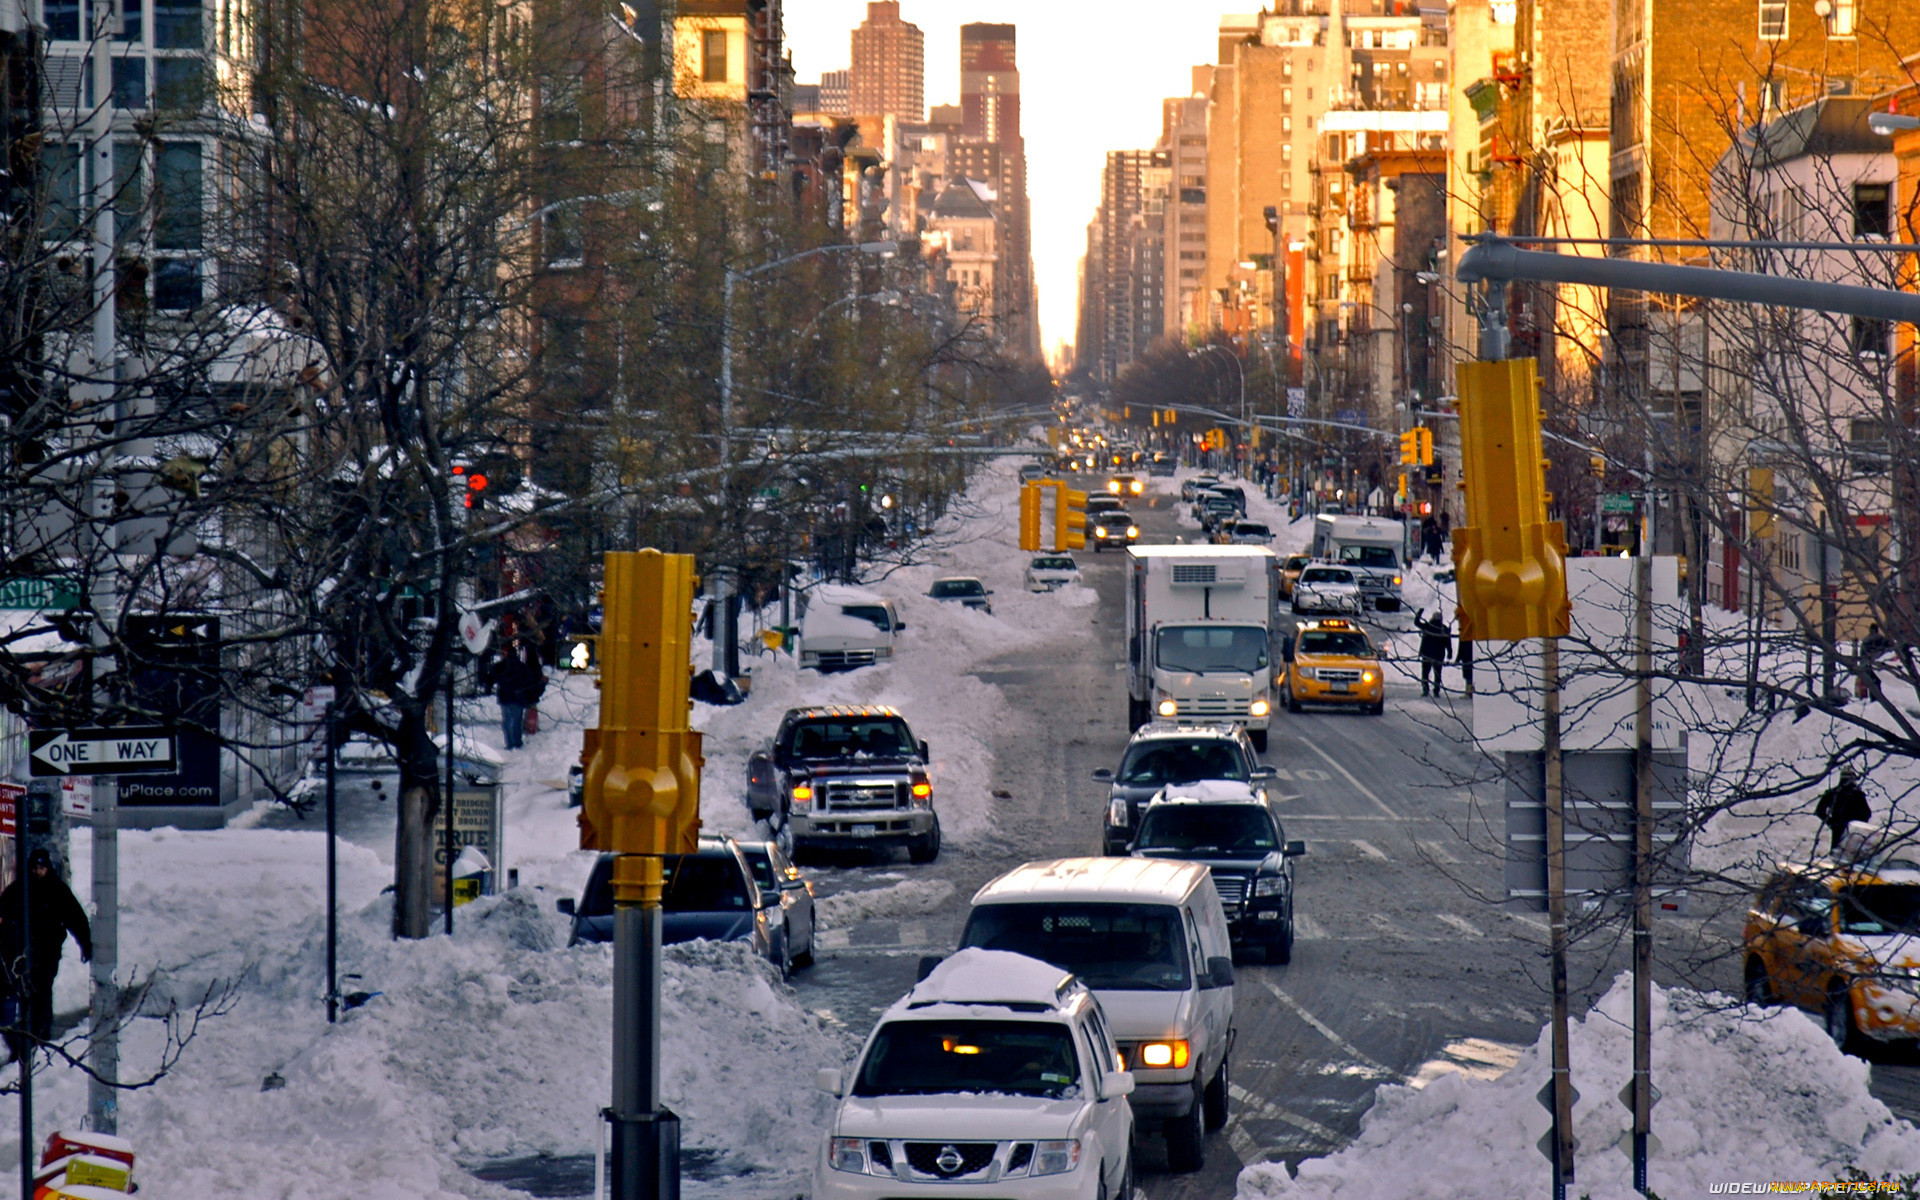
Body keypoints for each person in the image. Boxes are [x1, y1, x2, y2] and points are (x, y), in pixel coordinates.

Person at [0, 847, 93, 1062]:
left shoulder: (57, 890)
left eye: (41, 867)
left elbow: (75, 917)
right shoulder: (19, 889)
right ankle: (27, 1039)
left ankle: (41, 1035)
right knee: (25, 992)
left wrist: (85, 943)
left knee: (42, 990)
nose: (38, 872)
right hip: (22, 952)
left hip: (48, 950)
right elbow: (4, 912)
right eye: (35, 868)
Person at [496, 638, 544, 750]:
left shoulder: (501, 666)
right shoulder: (522, 667)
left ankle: (509, 743)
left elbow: (493, 676)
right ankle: (517, 742)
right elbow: (529, 681)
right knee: (516, 721)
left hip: (505, 698)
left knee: (507, 721)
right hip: (518, 698)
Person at [1814, 767, 1870, 853]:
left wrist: (1831, 822)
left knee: (1837, 856)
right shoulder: (1857, 794)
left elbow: (1819, 811)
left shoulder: (1833, 793)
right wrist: (1859, 825)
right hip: (1854, 833)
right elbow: (1867, 813)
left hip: (1838, 829)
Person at [1417, 609, 1452, 696]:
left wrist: (1419, 613)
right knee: (1438, 674)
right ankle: (1436, 691)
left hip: (1427, 654)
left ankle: (1425, 690)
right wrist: (1449, 652)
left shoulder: (1427, 626)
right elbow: (1448, 642)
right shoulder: (1443, 629)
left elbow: (1416, 622)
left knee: (1425, 672)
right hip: (1439, 655)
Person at [1856, 623, 1893, 700]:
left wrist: (1862, 665)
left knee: (1871, 681)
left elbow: (1862, 654)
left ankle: (1873, 697)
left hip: (1868, 664)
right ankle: (1878, 697)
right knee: (1878, 681)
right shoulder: (1882, 639)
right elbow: (1889, 650)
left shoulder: (1865, 640)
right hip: (1878, 663)